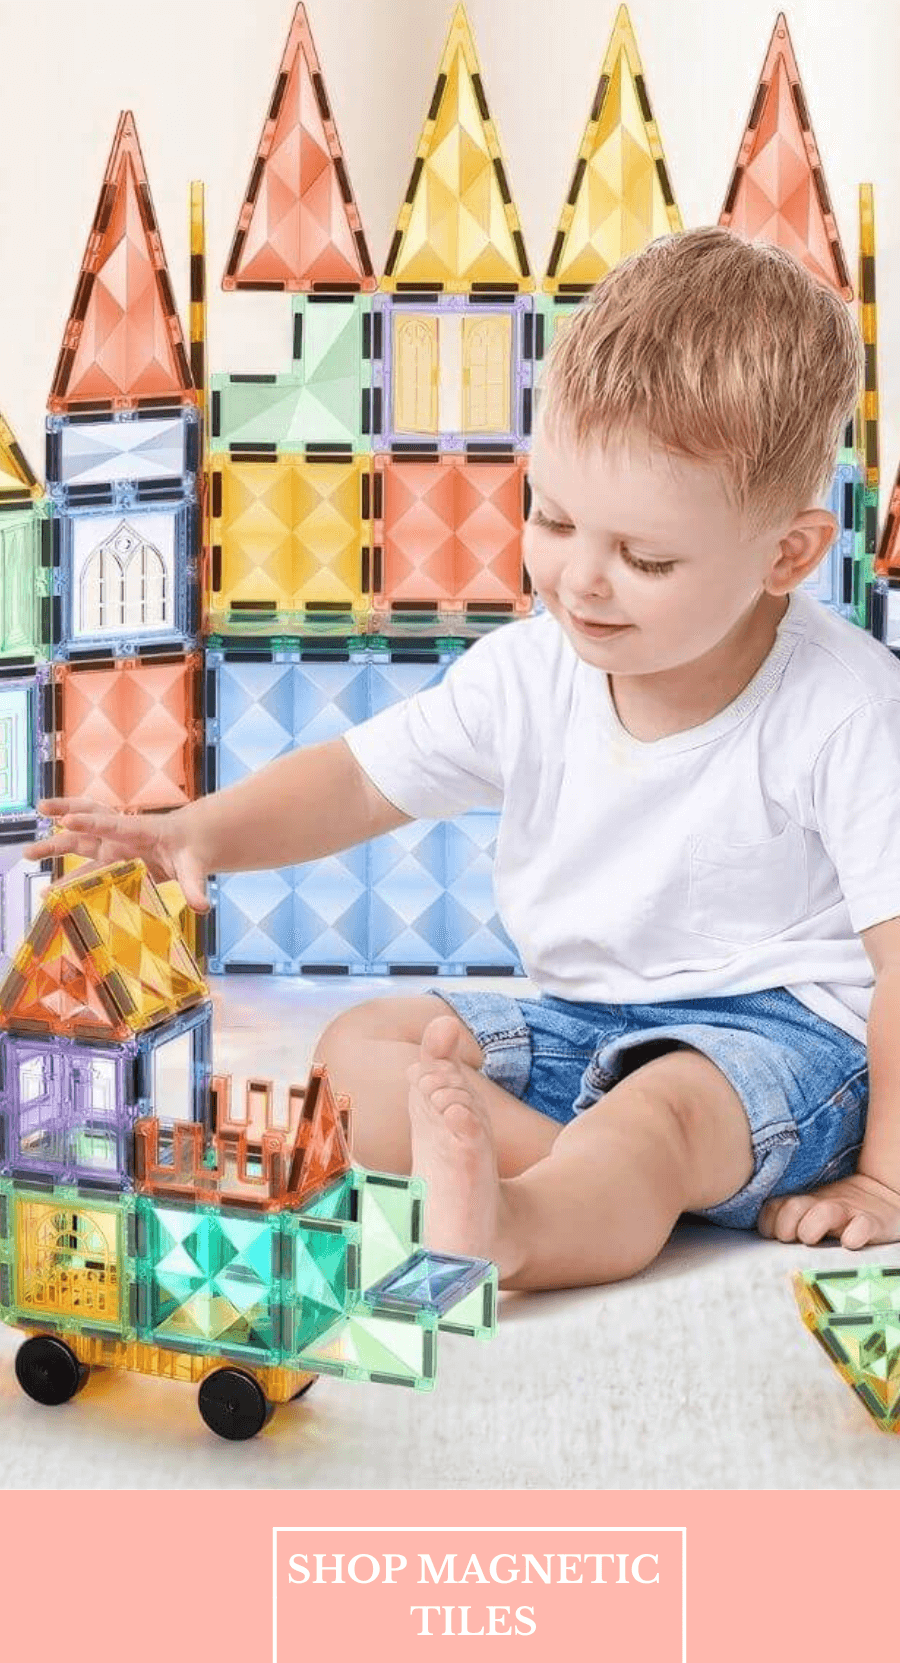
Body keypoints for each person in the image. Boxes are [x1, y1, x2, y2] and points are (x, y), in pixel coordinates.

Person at [35, 227, 900, 1294]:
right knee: (360, 1048)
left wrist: (885, 1184)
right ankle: (594, 1186)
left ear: (789, 555)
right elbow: (356, 778)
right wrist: (202, 831)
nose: (579, 580)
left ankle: (533, 1224)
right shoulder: (530, 673)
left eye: (646, 558)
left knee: (661, 1111)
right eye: (554, 518)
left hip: (777, 1046)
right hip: (579, 1022)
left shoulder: (845, 707)